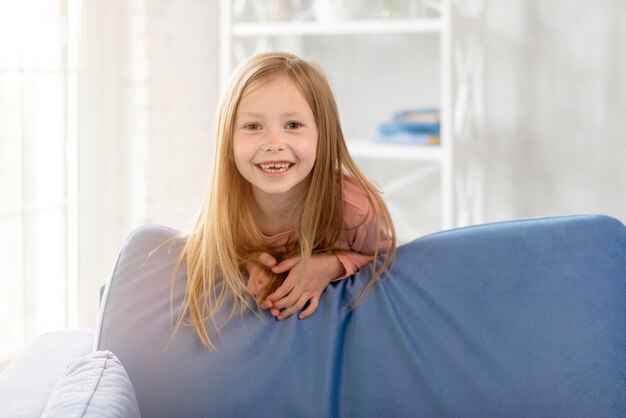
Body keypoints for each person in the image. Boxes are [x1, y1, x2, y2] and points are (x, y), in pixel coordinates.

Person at [174, 51, 396, 350]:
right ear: (229, 141)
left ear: (323, 135)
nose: (274, 144)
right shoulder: (228, 208)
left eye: (293, 125)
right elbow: (207, 251)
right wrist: (246, 262)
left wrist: (332, 265)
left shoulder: (354, 209)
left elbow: (391, 266)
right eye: (253, 127)